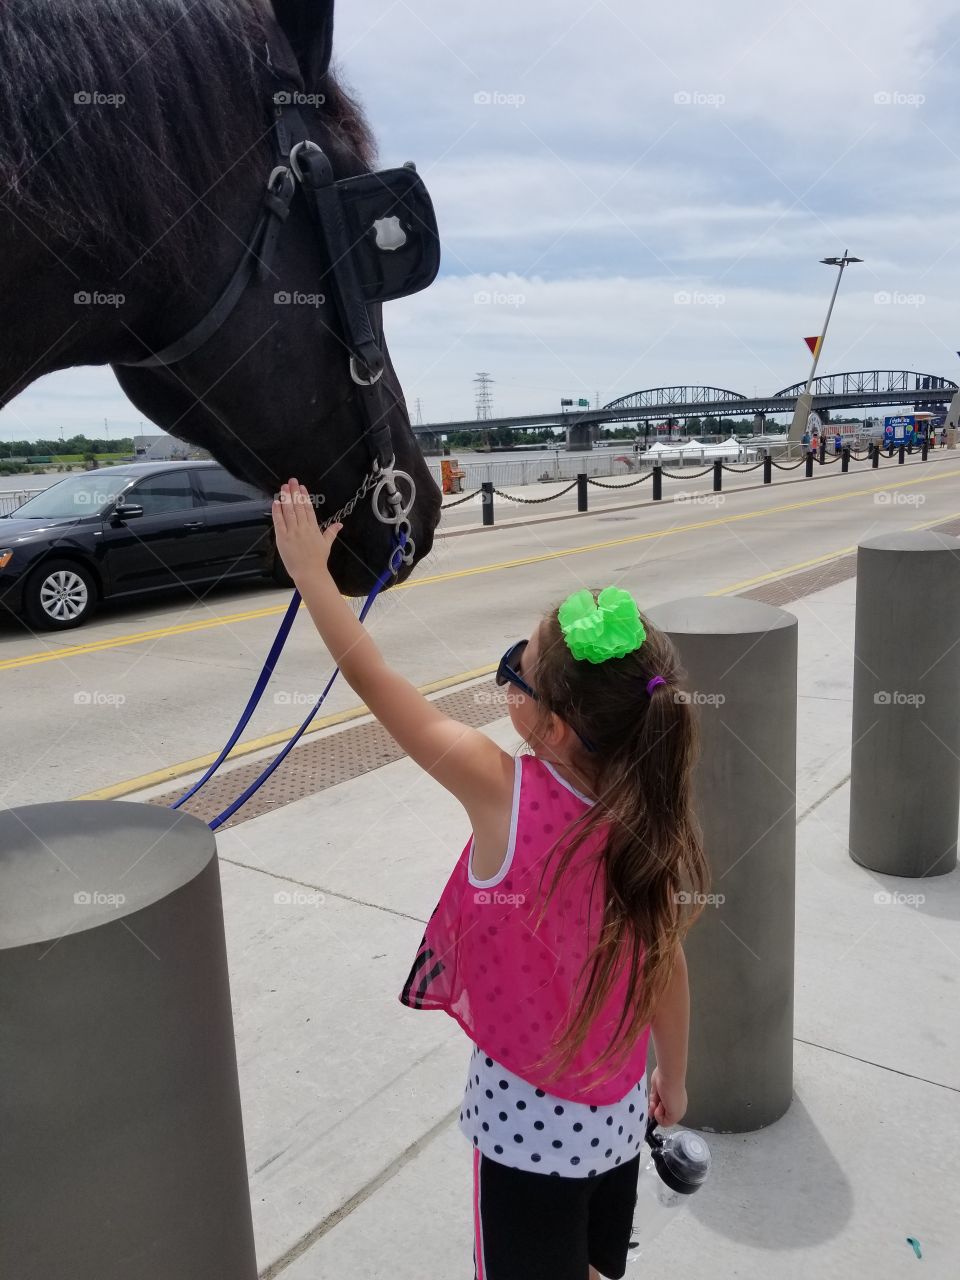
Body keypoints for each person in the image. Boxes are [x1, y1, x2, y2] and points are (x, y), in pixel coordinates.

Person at [272, 481, 709, 1280]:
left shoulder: (502, 792)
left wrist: (312, 579)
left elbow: (380, 686)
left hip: (526, 1129)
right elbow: (667, 966)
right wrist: (672, 1078)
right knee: (596, 1263)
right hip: (615, 1115)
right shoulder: (647, 818)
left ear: (552, 727)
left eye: (519, 669)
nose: (508, 677)